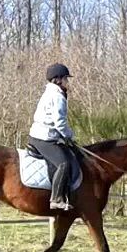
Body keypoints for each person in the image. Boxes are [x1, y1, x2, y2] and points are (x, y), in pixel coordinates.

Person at [28, 63, 78, 211]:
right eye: (66, 79)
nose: (67, 82)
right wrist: (69, 136)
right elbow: (60, 123)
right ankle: (56, 199)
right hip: (44, 138)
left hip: (40, 135)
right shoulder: (57, 96)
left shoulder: (49, 93)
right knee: (64, 164)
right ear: (58, 79)